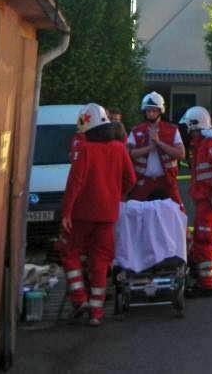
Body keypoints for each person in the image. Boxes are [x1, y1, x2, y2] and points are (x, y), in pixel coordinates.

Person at [61, 103, 136, 326]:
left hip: (82, 213)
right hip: (108, 214)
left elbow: (75, 182)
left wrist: (66, 212)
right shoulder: (119, 148)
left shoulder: (85, 149)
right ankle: (96, 313)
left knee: (69, 252)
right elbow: (131, 180)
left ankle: (79, 299)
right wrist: (116, 196)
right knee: (101, 260)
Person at [179, 105, 212, 298]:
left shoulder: (210, 145)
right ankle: (198, 271)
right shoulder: (200, 145)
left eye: (189, 127)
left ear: (195, 125)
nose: (188, 131)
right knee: (200, 237)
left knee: (205, 239)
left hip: (208, 201)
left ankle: (206, 283)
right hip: (203, 200)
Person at [127, 91, 186, 208]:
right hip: (142, 181)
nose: (151, 113)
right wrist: (150, 148)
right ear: (144, 111)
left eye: (154, 110)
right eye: (148, 110)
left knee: (177, 213)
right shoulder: (136, 130)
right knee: (135, 212)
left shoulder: (172, 130)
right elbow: (129, 154)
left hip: (167, 181)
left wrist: (159, 143)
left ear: (160, 111)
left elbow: (181, 154)